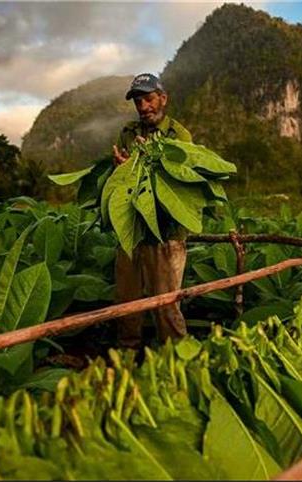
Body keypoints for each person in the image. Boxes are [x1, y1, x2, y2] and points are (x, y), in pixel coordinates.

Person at [111, 73, 192, 349]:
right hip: (132, 229)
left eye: (148, 99)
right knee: (127, 302)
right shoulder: (128, 133)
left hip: (166, 233)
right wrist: (122, 168)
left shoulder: (178, 135)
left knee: (166, 305)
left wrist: (152, 163)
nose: (143, 106)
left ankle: (177, 360)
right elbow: (125, 181)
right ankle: (128, 357)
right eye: (138, 101)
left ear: (163, 98)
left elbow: (182, 182)